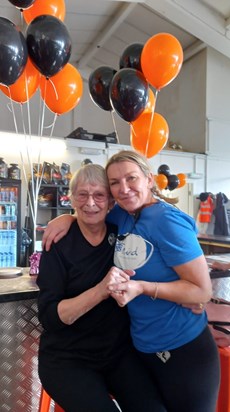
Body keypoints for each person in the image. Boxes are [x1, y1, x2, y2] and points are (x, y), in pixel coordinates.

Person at [42, 150, 220, 412]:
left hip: (182, 346)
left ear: (149, 179)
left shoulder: (166, 219)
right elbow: (91, 212)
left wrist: (142, 288)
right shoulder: (123, 216)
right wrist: (66, 217)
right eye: (114, 183)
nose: (123, 189)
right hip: (142, 348)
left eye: (131, 178)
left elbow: (201, 291)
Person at [37, 163, 166, 412]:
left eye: (99, 195)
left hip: (117, 354)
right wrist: (101, 290)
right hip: (67, 360)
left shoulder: (121, 234)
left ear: (111, 201)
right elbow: (50, 317)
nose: (90, 203)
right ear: (72, 198)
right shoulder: (59, 243)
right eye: (82, 195)